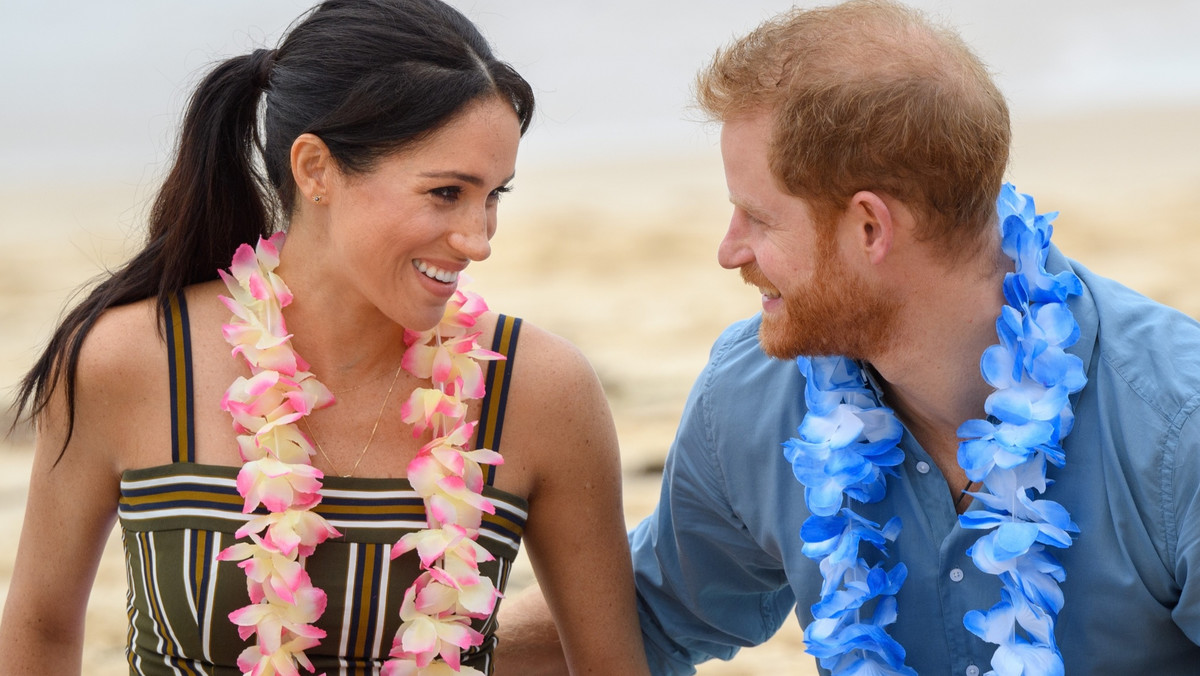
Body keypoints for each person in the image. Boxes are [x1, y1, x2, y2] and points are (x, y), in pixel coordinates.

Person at [496, 1, 1200, 675]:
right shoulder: (753, 394)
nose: (729, 251)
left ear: (870, 228)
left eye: (757, 218)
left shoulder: (1176, 423)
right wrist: (405, 642)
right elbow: (639, 622)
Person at [0, 1, 651, 674]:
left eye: (493, 196)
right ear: (315, 170)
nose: (478, 240)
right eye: (446, 193)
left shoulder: (541, 390)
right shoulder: (128, 361)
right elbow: (41, 632)